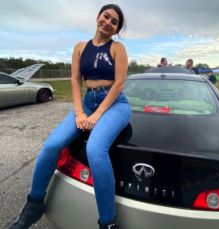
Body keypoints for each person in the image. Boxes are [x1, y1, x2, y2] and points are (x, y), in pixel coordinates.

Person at [8, 4, 130, 229]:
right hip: (87, 103)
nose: (108, 22)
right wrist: (80, 112)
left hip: (115, 105)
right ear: (98, 17)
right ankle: (33, 207)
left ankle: (108, 223)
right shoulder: (80, 48)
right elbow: (75, 80)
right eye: (106, 16)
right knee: (51, 146)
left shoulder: (118, 48)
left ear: (115, 29)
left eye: (114, 22)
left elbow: (120, 83)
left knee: (95, 149)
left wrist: (97, 115)